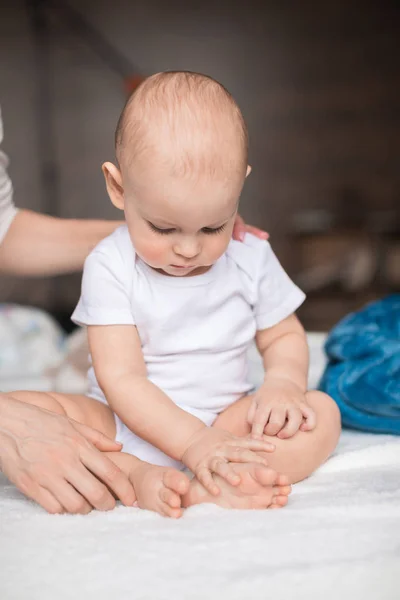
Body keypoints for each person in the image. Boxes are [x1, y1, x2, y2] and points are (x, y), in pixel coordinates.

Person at [4, 73, 342, 517]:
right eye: (163, 228)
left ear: (239, 186)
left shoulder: (251, 254)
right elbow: (121, 378)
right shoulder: (110, 264)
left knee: (321, 412)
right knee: (22, 409)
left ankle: (219, 475)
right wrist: (192, 442)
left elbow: (282, 337)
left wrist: (283, 385)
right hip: (123, 421)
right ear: (118, 187)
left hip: (226, 420)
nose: (187, 249)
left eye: (212, 226)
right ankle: (145, 475)